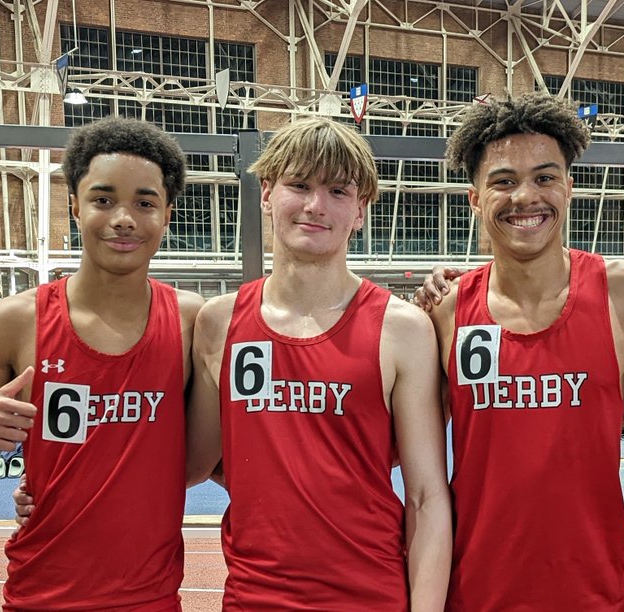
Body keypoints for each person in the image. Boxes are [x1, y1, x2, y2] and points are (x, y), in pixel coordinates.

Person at [0, 116, 203, 610]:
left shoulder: (192, 322)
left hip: (153, 597)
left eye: (144, 202)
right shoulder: (14, 322)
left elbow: (208, 457)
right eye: (103, 199)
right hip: (41, 593)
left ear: (168, 214)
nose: (123, 218)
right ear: (73, 206)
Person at [415, 92, 624, 610]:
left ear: (569, 187)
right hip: (474, 591)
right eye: (504, 181)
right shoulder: (444, 314)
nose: (525, 197)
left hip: (591, 591)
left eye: (544, 177)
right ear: (474, 198)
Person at [184, 116, 451, 610]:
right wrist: (57, 490)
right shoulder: (219, 323)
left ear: (361, 210)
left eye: (337, 190)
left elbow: (427, 497)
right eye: (299, 185)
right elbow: (191, 465)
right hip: (254, 596)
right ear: (266, 193)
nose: (314, 205)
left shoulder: (403, 329)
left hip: (371, 594)